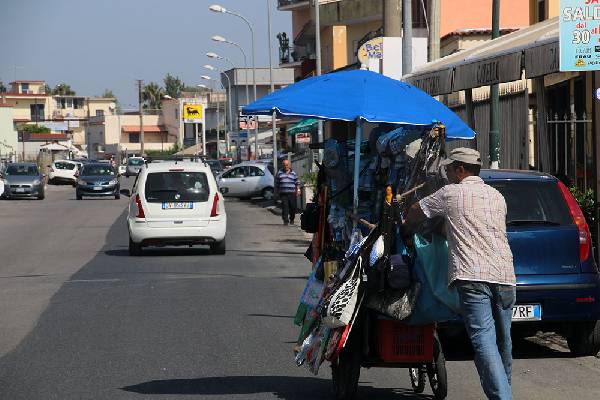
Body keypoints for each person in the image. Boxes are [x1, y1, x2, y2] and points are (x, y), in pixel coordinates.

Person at [404, 148, 516, 400]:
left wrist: (406, 227)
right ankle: (503, 392)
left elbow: (415, 211)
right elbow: (476, 227)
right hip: (505, 275)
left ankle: (503, 398)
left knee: (484, 341)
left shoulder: (450, 193)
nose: (446, 174)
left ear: (460, 169)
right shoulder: (496, 196)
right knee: (503, 342)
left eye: (449, 169)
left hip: (473, 276)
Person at [275, 159, 299, 225]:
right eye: (284, 165)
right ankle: (285, 220)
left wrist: (298, 190)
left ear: (289, 165)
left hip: (292, 193)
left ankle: (292, 219)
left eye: (287, 165)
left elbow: (297, 183)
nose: (286, 166)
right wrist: (276, 193)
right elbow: (276, 184)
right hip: (283, 193)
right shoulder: (279, 173)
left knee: (293, 207)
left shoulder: (293, 173)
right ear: (283, 165)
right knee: (285, 207)